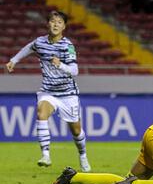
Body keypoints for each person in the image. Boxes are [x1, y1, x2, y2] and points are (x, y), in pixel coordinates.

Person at [5, 11, 91, 172]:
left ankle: (82, 155)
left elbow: (74, 70)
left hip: (68, 94)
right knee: (41, 113)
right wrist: (14, 60)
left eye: (59, 22)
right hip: (48, 92)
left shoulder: (68, 45)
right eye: (53, 21)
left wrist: (60, 65)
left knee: (77, 131)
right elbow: (29, 47)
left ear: (64, 26)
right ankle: (46, 155)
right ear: (48, 24)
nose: (55, 24)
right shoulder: (40, 42)